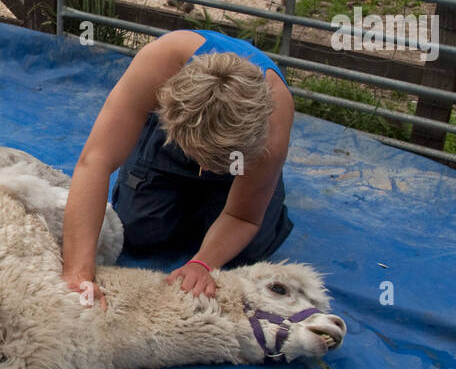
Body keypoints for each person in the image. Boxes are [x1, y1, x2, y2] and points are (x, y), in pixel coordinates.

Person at [61, 29, 295, 306]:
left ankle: (239, 194)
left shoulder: (274, 119)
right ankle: (188, 182)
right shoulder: (159, 63)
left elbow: (244, 217)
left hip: (238, 159)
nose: (204, 168)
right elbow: (95, 161)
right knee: (135, 231)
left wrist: (202, 264)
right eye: (201, 159)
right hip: (176, 138)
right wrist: (78, 273)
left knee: (251, 250)